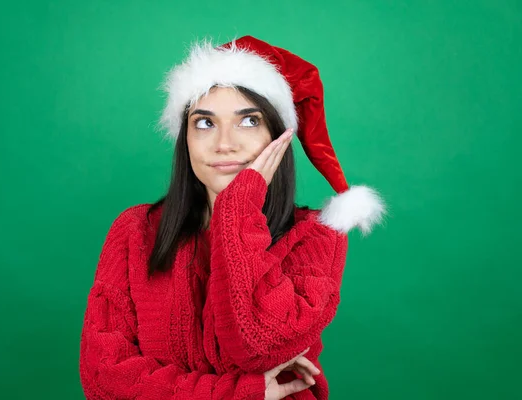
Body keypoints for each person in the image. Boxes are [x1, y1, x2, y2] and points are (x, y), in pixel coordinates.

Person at [79, 35, 386, 400]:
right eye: (205, 123)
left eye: (249, 121)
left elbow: (257, 343)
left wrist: (238, 207)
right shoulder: (135, 230)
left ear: (279, 137)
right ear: (185, 139)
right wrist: (239, 392)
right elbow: (103, 378)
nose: (224, 143)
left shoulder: (318, 236)